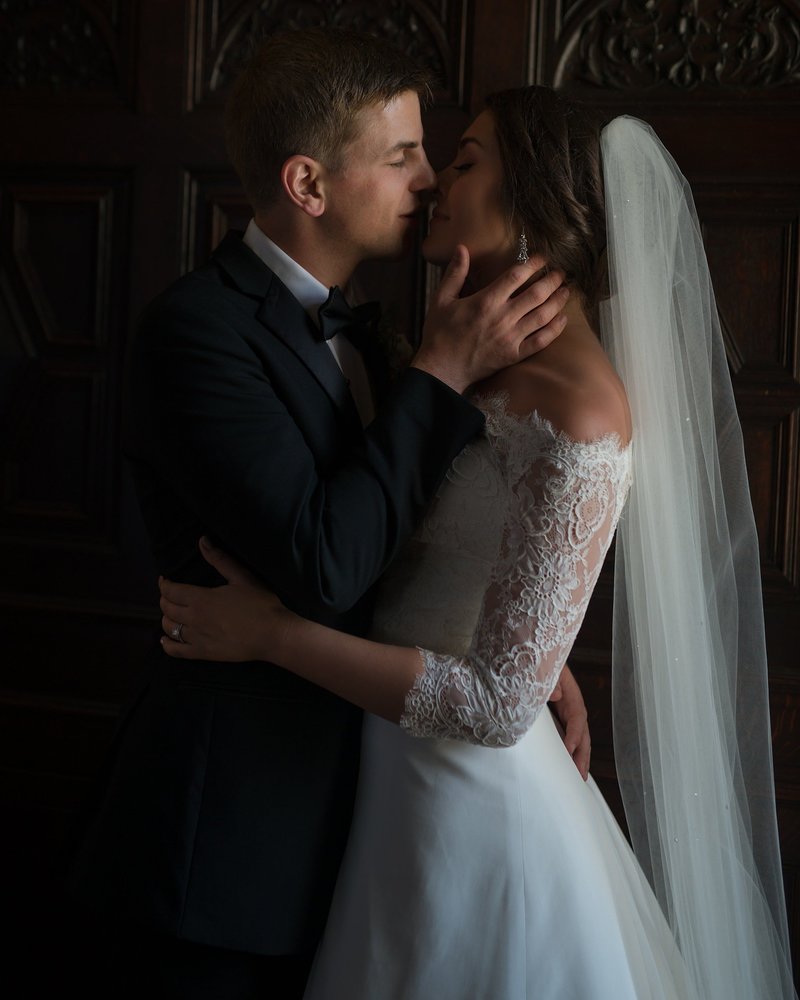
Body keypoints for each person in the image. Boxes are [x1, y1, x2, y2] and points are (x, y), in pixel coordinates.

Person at [159, 86, 796, 998]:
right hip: (390, 781)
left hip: (469, 804)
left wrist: (271, 635)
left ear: (533, 199)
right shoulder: (472, 356)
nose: (434, 182)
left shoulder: (582, 406)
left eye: (463, 161)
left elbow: (499, 708)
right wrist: (535, 636)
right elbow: (447, 552)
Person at [63, 32, 582, 999]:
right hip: (231, 845)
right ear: (308, 184)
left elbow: (411, 535)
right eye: (402, 157)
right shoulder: (197, 335)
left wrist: (524, 641)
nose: (429, 179)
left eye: (435, 154)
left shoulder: (375, 324)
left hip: (374, 821)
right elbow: (328, 562)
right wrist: (438, 375)